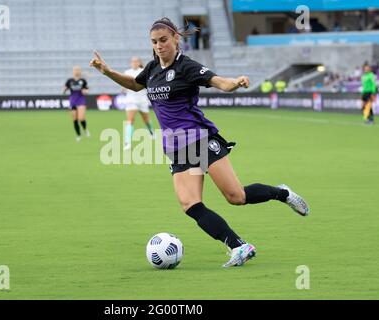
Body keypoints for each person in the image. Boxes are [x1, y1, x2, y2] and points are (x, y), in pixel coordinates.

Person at [90, 17, 309, 267]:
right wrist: (106, 71)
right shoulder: (152, 69)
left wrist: (235, 83)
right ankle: (239, 247)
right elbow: (133, 84)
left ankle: (282, 193)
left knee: (236, 196)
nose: (159, 46)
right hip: (175, 148)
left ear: (175, 39)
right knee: (190, 205)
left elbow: (219, 82)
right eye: (154, 42)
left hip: (199, 139)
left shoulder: (187, 67)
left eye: (163, 40)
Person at [123, 57, 154, 150]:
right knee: (130, 120)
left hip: (142, 99)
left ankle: (151, 132)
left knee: (146, 120)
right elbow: (124, 85)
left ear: (139, 62)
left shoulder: (144, 71)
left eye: (136, 61)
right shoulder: (127, 72)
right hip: (131, 100)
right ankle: (127, 142)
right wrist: (124, 87)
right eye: (132, 61)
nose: (134, 63)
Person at [63, 66, 90, 141]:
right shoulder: (69, 80)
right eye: (75, 70)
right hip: (73, 101)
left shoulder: (83, 80)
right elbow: (64, 89)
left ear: (80, 71)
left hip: (81, 100)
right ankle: (78, 135)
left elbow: (87, 90)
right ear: (73, 71)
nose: (76, 71)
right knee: (75, 119)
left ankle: (85, 129)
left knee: (81, 118)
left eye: (78, 70)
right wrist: (64, 90)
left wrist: (85, 91)